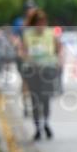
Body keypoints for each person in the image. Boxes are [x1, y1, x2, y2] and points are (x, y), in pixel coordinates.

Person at [19, 9, 61, 140]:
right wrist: (27, 57)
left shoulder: (51, 33)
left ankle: (46, 122)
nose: (41, 25)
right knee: (35, 99)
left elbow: (58, 49)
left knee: (46, 98)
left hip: (47, 69)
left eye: (43, 22)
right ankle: (37, 127)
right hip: (33, 69)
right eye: (38, 22)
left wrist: (58, 61)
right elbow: (22, 51)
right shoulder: (27, 34)